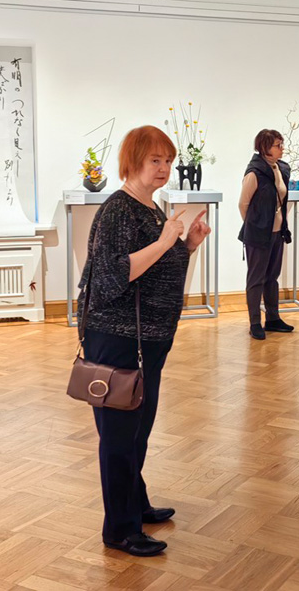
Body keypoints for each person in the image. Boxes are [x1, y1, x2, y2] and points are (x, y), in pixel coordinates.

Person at [78, 125, 211, 557]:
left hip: (147, 339)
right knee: (119, 437)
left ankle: (135, 503)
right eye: (155, 160)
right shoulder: (118, 210)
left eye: (168, 160)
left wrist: (186, 245)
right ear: (133, 162)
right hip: (117, 338)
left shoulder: (150, 208)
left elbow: (158, 267)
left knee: (138, 429)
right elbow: (112, 276)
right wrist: (167, 240)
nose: (164, 168)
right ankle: (120, 529)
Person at [239, 129, 294, 340]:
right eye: (278, 145)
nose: (282, 148)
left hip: (277, 232)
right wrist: (256, 225)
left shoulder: (281, 168)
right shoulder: (254, 173)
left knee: (272, 277)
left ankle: (273, 318)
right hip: (258, 234)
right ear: (264, 148)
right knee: (256, 279)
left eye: (281, 144)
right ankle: (255, 322)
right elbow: (243, 204)